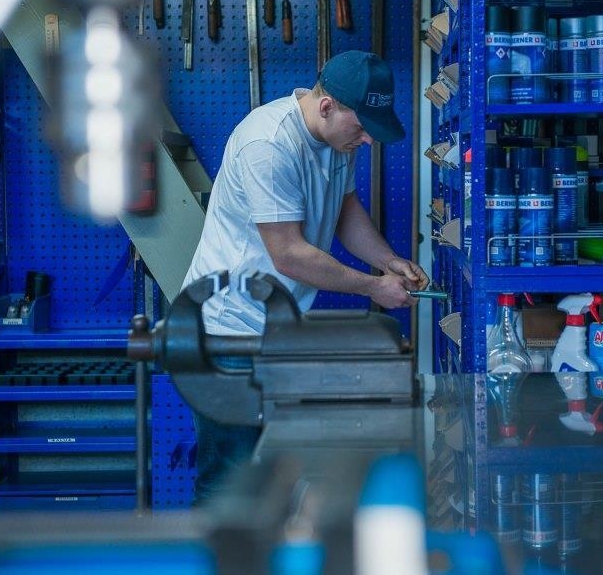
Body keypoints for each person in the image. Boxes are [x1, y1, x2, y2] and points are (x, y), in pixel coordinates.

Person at [181, 50, 428, 499]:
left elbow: (345, 211)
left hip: (276, 329)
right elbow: (289, 256)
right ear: (327, 106)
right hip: (228, 334)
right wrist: (374, 287)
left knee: (277, 477)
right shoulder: (268, 144)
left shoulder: (337, 140)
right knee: (229, 483)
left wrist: (387, 260)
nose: (367, 141)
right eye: (362, 128)